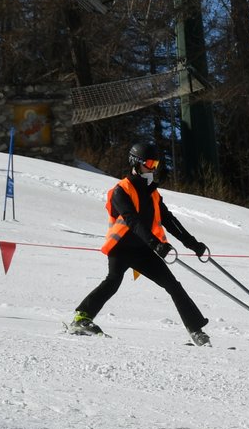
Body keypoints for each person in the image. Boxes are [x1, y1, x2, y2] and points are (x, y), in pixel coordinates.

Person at [69, 140, 211, 345]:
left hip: (143, 249)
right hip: (121, 248)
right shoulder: (121, 190)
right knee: (113, 281)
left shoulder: (152, 192)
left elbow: (169, 220)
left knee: (173, 285)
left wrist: (192, 244)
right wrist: (156, 244)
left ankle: (195, 330)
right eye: (149, 164)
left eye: (155, 164)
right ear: (135, 163)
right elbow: (132, 220)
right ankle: (81, 318)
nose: (152, 168)